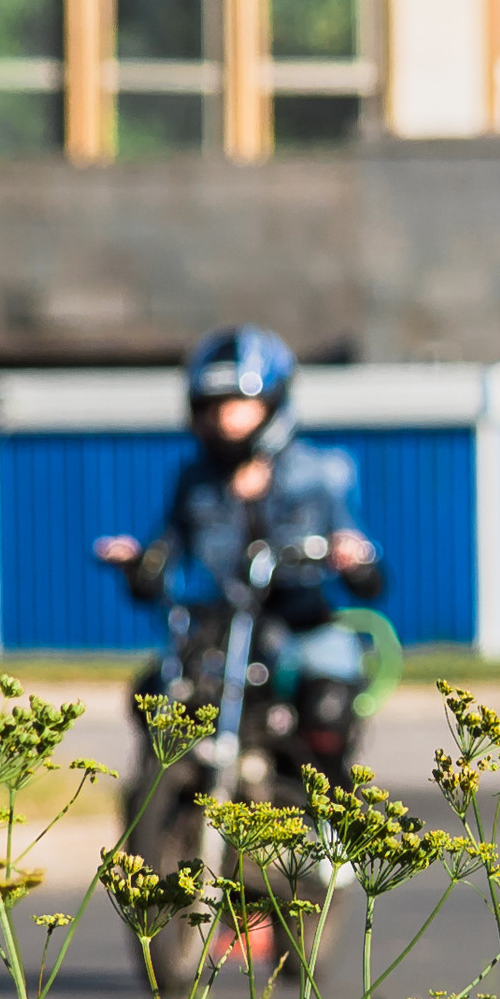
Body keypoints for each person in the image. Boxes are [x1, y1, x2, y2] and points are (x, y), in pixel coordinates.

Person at [96, 325, 382, 786]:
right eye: (210, 408)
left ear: (271, 404)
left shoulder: (322, 472)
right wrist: (139, 563)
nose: (222, 420)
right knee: (152, 696)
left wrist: (353, 558)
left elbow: (366, 566)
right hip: (224, 631)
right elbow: (164, 555)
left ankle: (336, 844)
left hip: (300, 627)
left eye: (235, 406)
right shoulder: (194, 482)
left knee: (328, 706)